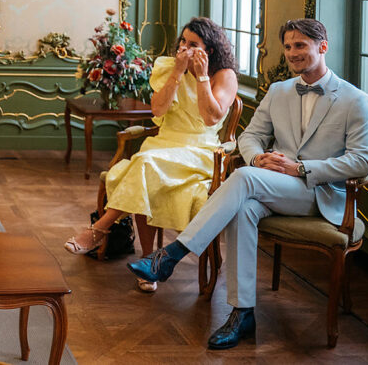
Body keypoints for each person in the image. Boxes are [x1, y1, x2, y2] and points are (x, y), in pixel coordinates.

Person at [128, 18, 368, 350]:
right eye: (288, 47)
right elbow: (250, 138)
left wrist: (301, 168)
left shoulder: (355, 99)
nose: (292, 53)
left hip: (321, 194)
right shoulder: (279, 91)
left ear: (322, 46)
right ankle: (242, 313)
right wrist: (258, 158)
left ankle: (172, 254)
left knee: (242, 178)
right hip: (272, 185)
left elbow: (361, 162)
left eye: (300, 45)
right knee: (243, 207)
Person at [64, 17, 238, 292]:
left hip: (199, 149)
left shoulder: (224, 75)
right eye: (183, 41)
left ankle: (99, 228)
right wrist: (177, 73)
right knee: (145, 171)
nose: (184, 48)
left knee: (142, 164)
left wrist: (202, 76)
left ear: (210, 50)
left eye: (193, 44)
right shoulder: (167, 68)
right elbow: (158, 110)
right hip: (164, 143)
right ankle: (148, 262)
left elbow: (210, 118)